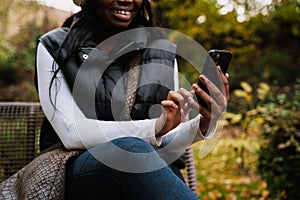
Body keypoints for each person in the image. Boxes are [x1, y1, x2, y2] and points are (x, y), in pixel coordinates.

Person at [35, 0, 230, 199]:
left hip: (145, 172)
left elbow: (167, 139)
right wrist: (154, 127)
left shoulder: (162, 51)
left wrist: (204, 123)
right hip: (76, 171)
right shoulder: (54, 46)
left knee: (147, 158)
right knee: (131, 149)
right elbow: (71, 133)